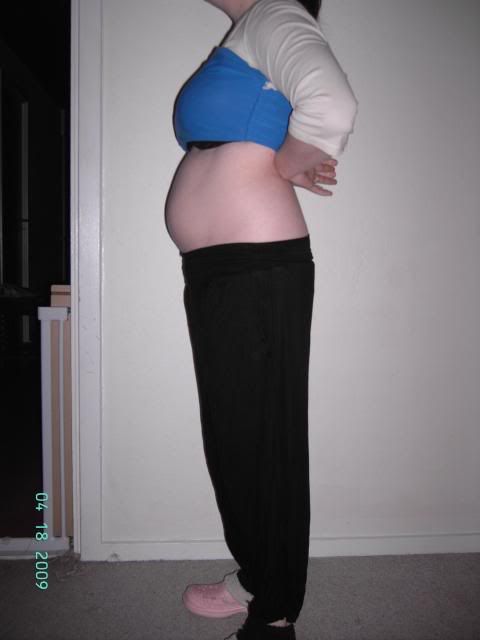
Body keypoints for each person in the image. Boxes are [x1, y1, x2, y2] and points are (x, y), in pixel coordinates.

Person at [165, 0, 359, 637]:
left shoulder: (274, 12)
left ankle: (274, 615)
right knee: (234, 438)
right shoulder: (252, 31)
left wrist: (286, 161)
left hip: (254, 262)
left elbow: (331, 102)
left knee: (261, 444)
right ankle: (257, 576)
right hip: (223, 263)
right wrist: (286, 155)